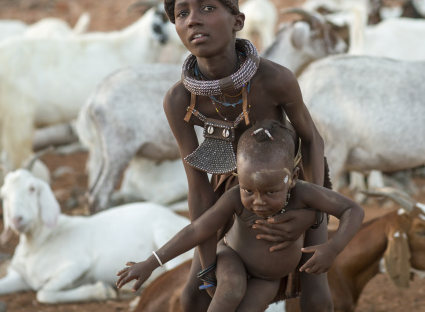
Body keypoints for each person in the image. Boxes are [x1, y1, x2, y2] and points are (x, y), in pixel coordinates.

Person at [160, 0, 334, 312]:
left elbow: (313, 142)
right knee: (194, 295)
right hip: (230, 193)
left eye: (208, 8)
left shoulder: (275, 80)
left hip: (290, 187)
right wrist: (207, 261)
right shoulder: (180, 100)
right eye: (182, 13)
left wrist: (312, 215)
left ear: (237, 20)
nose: (194, 19)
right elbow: (198, 186)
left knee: (316, 294)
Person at [116, 121, 365, 312]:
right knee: (231, 289)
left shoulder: (306, 195)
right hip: (231, 257)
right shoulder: (235, 198)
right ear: (237, 176)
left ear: (294, 178)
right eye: (249, 190)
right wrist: (151, 263)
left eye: (270, 192)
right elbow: (197, 230)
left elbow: (354, 210)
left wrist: (333, 248)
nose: (258, 201)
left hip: (268, 280)